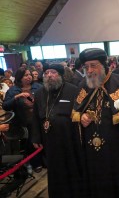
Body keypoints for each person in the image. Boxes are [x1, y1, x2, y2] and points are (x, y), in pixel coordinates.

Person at [71, 48, 119, 198]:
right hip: (90, 149)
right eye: (86, 66)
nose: (89, 70)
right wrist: (81, 118)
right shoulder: (83, 84)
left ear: (104, 65)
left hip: (114, 148)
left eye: (93, 65)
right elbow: (76, 112)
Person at [31, 64, 82, 198]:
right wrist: (36, 137)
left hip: (70, 139)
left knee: (71, 167)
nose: (49, 75)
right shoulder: (39, 93)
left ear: (60, 75)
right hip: (49, 139)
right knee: (54, 169)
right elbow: (35, 117)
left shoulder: (73, 90)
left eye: (53, 72)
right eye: (46, 72)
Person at [3, 67, 42, 167]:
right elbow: (5, 106)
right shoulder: (13, 90)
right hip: (24, 122)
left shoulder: (38, 87)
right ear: (19, 77)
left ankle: (44, 161)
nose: (29, 77)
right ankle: (35, 163)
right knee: (31, 142)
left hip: (39, 119)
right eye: (25, 75)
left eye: (30, 75)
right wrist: (16, 97)